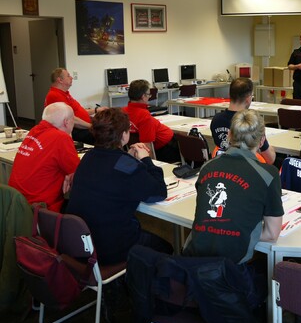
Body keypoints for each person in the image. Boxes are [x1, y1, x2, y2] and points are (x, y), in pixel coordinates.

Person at [183, 109, 283, 307]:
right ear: (262, 140)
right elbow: (272, 234)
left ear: (229, 135)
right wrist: (241, 228)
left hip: (191, 269)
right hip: (231, 278)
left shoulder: (207, 167)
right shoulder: (269, 174)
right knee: (269, 276)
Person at [67, 108, 172, 265]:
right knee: (165, 247)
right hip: (110, 247)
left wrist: (128, 157)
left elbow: (110, 173)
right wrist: (146, 160)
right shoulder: (126, 164)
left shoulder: (88, 156)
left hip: (80, 242)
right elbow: (158, 193)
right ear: (124, 135)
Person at [9, 102, 79, 212]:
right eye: (73, 120)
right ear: (66, 122)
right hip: (41, 209)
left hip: (17, 204)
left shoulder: (34, 130)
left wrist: (68, 174)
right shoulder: (60, 138)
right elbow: (78, 172)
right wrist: (68, 174)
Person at [210, 77, 276, 164]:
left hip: (223, 165)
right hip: (248, 168)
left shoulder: (216, 120)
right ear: (248, 99)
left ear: (229, 95)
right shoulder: (251, 122)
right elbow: (270, 159)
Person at [122, 79, 180, 163]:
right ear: (143, 96)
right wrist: (151, 166)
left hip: (151, 148)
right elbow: (147, 147)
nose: (149, 97)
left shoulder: (122, 111)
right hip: (167, 149)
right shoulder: (144, 116)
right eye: (149, 94)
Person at [44, 67, 108, 144]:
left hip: (84, 127)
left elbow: (78, 111)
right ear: (60, 80)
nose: (71, 78)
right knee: (106, 134)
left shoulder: (65, 93)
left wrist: (96, 110)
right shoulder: (55, 95)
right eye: (68, 76)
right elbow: (70, 119)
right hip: (77, 130)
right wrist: (91, 126)